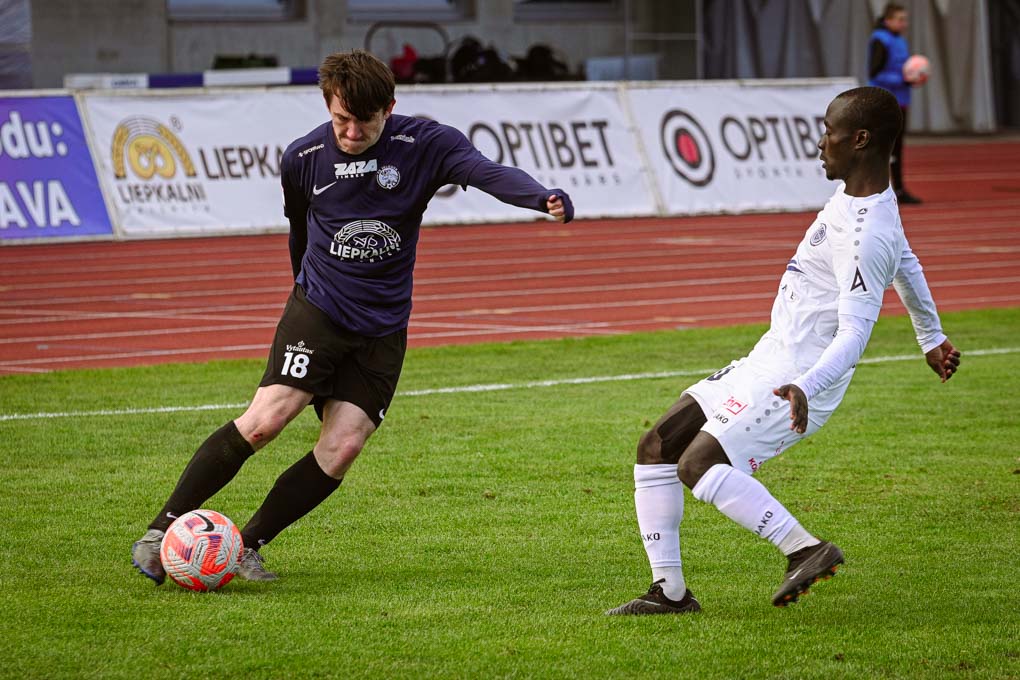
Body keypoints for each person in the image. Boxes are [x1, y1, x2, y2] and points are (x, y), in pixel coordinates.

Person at [131, 49, 574, 585]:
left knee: (343, 447)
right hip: (318, 311)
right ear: (328, 106)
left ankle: (244, 546)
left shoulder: (426, 145)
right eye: (341, 118)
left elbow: (486, 172)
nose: (351, 132)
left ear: (389, 108)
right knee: (266, 421)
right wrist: (304, 293)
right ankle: (160, 530)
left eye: (364, 121)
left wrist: (540, 197)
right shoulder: (303, 158)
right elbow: (299, 232)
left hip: (383, 327)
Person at [606, 86, 960, 615]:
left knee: (697, 464)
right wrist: (930, 337)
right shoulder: (862, 203)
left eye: (830, 131)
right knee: (657, 446)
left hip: (798, 376)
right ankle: (670, 594)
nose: (820, 142)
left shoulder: (866, 234)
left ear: (860, 140)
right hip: (766, 360)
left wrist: (805, 386)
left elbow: (853, 335)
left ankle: (805, 549)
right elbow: (907, 261)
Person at [868, 2, 922, 204]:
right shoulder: (880, 40)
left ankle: (898, 189)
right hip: (885, 102)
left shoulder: (900, 41)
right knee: (882, 148)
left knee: (897, 148)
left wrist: (914, 77)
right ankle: (875, 190)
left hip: (901, 101)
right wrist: (903, 80)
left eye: (905, 19)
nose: (904, 23)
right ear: (888, 20)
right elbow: (875, 73)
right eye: (900, 19)